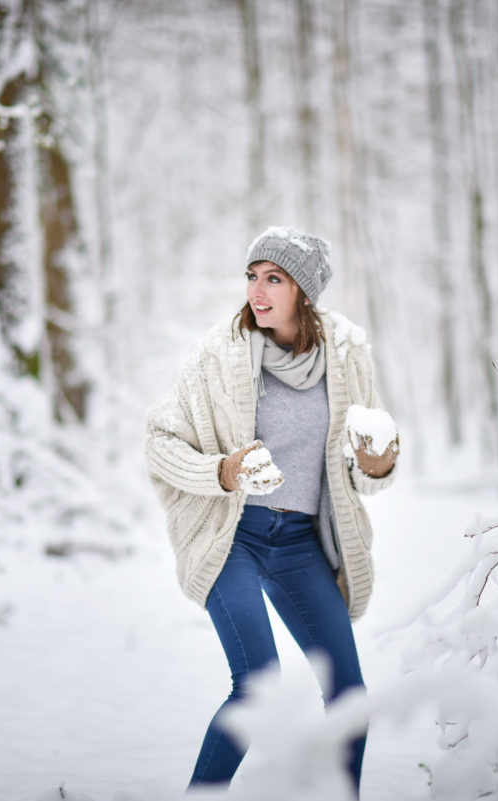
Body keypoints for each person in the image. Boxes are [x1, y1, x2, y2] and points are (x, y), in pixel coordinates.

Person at [144, 226, 399, 796]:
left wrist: (377, 464)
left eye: (274, 279)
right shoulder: (222, 354)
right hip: (234, 536)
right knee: (257, 684)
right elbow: (159, 441)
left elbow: (364, 469)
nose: (257, 292)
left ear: (304, 292)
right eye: (252, 277)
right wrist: (222, 471)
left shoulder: (347, 358)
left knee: (349, 696)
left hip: (303, 543)